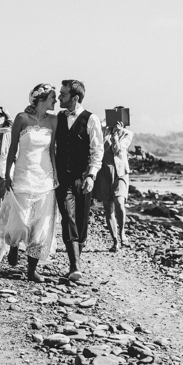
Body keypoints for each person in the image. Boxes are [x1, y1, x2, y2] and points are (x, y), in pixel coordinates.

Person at [0, 84, 59, 283]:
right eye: (52, 98)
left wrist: (55, 175)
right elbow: (12, 149)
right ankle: (13, 244)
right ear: (41, 98)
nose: (55, 102)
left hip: (44, 177)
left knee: (41, 224)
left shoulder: (53, 121)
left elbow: (52, 150)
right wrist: (7, 174)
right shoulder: (21, 118)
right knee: (20, 221)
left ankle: (32, 269)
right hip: (22, 174)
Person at [55, 79, 103, 281]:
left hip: (82, 178)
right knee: (68, 216)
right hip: (62, 178)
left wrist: (91, 175)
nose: (59, 97)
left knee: (82, 222)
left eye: (63, 94)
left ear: (75, 98)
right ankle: (75, 265)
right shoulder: (56, 118)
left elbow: (97, 150)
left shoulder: (91, 119)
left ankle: (76, 262)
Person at [93, 120, 133, 252]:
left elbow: (118, 150)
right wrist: (104, 126)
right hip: (104, 172)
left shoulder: (127, 134)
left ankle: (122, 234)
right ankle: (115, 240)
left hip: (120, 172)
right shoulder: (103, 132)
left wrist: (116, 134)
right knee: (108, 207)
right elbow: (96, 145)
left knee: (119, 202)